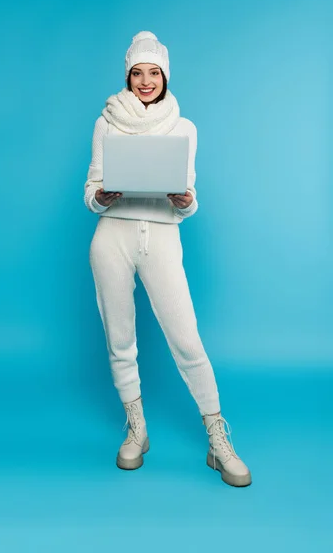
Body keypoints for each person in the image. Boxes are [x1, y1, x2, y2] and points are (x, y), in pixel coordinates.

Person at [84, 31, 251, 487]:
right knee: (121, 339)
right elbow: (90, 194)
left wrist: (183, 198)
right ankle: (137, 429)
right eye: (136, 73)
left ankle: (218, 438)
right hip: (111, 237)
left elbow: (190, 198)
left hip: (161, 236)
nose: (144, 81)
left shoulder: (184, 127)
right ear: (127, 75)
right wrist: (103, 194)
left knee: (187, 340)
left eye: (152, 72)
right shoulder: (106, 122)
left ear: (164, 76)